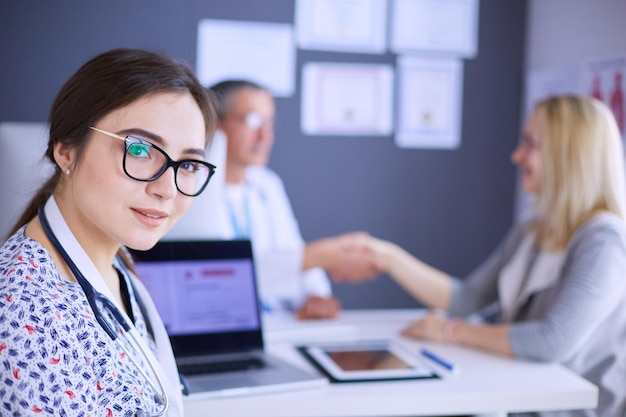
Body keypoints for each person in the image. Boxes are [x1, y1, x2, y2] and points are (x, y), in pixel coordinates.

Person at [351, 95, 626, 417]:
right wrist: (387, 256)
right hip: (523, 398)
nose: (516, 155)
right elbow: (468, 298)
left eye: (530, 144)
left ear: (569, 156)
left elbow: (552, 341)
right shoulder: (535, 229)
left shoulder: (603, 241)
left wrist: (450, 331)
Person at [0, 48, 217, 416]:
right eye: (140, 149)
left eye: (190, 164)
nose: (168, 188)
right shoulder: (24, 312)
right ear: (66, 150)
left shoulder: (115, 264)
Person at [168, 79, 380, 320]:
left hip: (278, 323)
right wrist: (319, 256)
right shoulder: (189, 187)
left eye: (269, 123)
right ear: (215, 124)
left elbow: (292, 248)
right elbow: (216, 277)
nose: (265, 135)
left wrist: (315, 294)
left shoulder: (267, 184)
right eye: (253, 121)